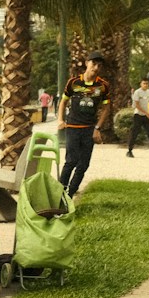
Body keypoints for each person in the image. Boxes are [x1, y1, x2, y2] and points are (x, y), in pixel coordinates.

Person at [58, 52, 111, 198]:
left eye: (99, 65)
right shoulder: (73, 83)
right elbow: (63, 101)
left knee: (83, 165)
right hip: (73, 128)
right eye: (93, 64)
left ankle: (69, 194)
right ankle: (59, 193)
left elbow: (106, 108)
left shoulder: (103, 86)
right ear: (87, 63)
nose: (96, 67)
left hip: (89, 130)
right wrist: (60, 120)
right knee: (71, 161)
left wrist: (97, 128)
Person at [125, 77, 149, 158]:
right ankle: (129, 150)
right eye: (144, 83)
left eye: (147, 84)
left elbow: (148, 103)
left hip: (146, 115)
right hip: (138, 115)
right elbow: (137, 105)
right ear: (141, 84)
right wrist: (146, 113)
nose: (145, 85)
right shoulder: (137, 92)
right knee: (134, 133)